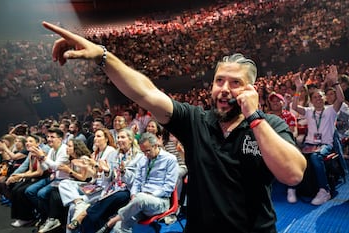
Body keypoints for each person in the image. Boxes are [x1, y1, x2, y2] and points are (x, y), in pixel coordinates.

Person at [42, 21, 306, 232]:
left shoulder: (269, 125)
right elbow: (146, 93)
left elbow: (293, 174)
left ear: (251, 89)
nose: (224, 89)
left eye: (235, 83)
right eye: (219, 81)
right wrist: (103, 55)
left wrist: (254, 117)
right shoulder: (196, 121)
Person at [96, 132, 179, 233]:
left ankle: (112, 221)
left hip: (159, 201)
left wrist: (148, 195)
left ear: (156, 145)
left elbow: (169, 187)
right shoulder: (143, 159)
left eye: (148, 151)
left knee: (141, 198)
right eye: (143, 151)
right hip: (139, 202)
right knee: (119, 227)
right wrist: (133, 194)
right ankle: (115, 221)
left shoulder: (170, 159)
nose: (146, 154)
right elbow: (137, 181)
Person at [291, 65, 344, 205]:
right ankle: (296, 186)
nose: (318, 99)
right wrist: (297, 89)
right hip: (310, 144)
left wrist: (335, 82)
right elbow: (294, 107)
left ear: (324, 98)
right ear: (312, 100)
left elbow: (340, 99)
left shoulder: (330, 110)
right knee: (295, 155)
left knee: (315, 157)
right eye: (314, 97)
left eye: (320, 96)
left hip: (325, 144)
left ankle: (324, 190)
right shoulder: (309, 111)